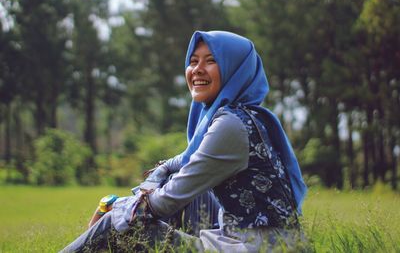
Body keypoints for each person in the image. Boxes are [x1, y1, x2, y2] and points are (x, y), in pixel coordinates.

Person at [60, 30, 307, 252]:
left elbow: (166, 202)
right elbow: (185, 161)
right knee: (161, 196)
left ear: (235, 69)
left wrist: (121, 210)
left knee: (124, 224)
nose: (197, 69)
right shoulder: (243, 116)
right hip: (261, 239)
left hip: (258, 247)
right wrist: (160, 173)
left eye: (211, 61)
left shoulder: (231, 125)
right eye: (193, 61)